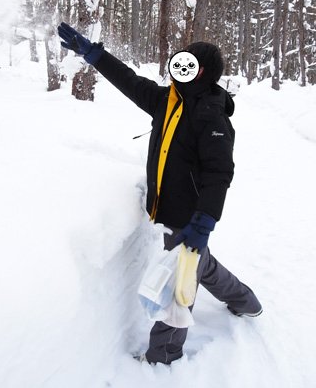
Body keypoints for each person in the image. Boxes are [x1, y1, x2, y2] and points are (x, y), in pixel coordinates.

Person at [57, 22, 262, 365]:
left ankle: (164, 355)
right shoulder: (168, 100)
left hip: (190, 214)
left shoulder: (210, 116)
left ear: (203, 75)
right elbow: (129, 82)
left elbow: (219, 172)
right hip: (167, 208)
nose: (179, 70)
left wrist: (204, 220)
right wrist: (94, 54)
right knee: (197, 262)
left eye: (189, 66)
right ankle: (246, 301)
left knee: (178, 284)